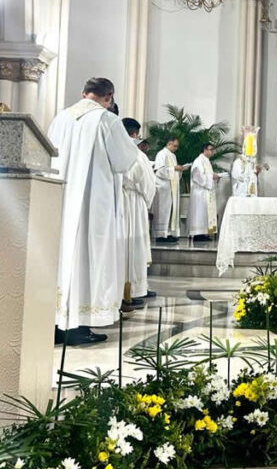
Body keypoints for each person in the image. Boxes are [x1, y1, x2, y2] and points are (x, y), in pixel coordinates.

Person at [46, 77, 138, 345]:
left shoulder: (61, 118)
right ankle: (80, 325)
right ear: (109, 97)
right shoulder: (107, 120)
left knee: (63, 257)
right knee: (90, 257)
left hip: (62, 200)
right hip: (92, 203)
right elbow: (124, 161)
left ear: (83, 92)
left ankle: (57, 321)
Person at [121, 118, 157, 304]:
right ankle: (133, 291)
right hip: (134, 203)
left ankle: (123, 291)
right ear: (134, 133)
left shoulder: (114, 147)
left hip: (118, 201)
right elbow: (148, 184)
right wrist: (148, 203)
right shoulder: (137, 154)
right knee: (134, 247)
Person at [153, 137, 187, 243]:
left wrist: (180, 169)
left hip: (171, 189)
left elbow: (174, 171)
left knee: (171, 211)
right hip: (164, 189)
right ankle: (160, 235)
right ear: (169, 144)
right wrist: (174, 169)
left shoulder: (173, 156)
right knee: (164, 211)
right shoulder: (161, 154)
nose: (176, 148)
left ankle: (168, 233)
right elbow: (159, 171)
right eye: (175, 146)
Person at [188, 143, 220, 241]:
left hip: (205, 192)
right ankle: (198, 234)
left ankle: (203, 233)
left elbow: (207, 174)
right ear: (205, 150)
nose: (212, 151)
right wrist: (211, 177)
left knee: (205, 213)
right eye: (210, 149)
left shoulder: (206, 161)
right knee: (200, 213)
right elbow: (197, 176)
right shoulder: (198, 161)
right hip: (199, 193)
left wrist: (213, 175)